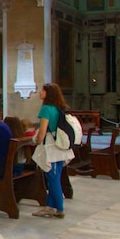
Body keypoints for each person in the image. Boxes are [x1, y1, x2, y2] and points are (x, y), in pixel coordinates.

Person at [32, 82, 74, 219]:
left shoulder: (46, 109)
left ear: (48, 93)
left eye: (42, 91)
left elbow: (43, 130)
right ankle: (49, 207)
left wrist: (37, 140)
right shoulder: (60, 108)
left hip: (51, 146)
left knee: (53, 178)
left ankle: (60, 208)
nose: (40, 93)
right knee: (54, 177)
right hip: (61, 145)